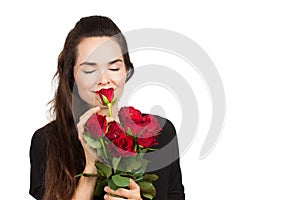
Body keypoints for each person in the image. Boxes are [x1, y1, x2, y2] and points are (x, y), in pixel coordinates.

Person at [29, 15, 185, 200]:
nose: (104, 80)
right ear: (72, 76)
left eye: (114, 68)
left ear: (126, 71)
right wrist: (91, 166)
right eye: (89, 70)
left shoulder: (159, 133)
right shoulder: (48, 142)